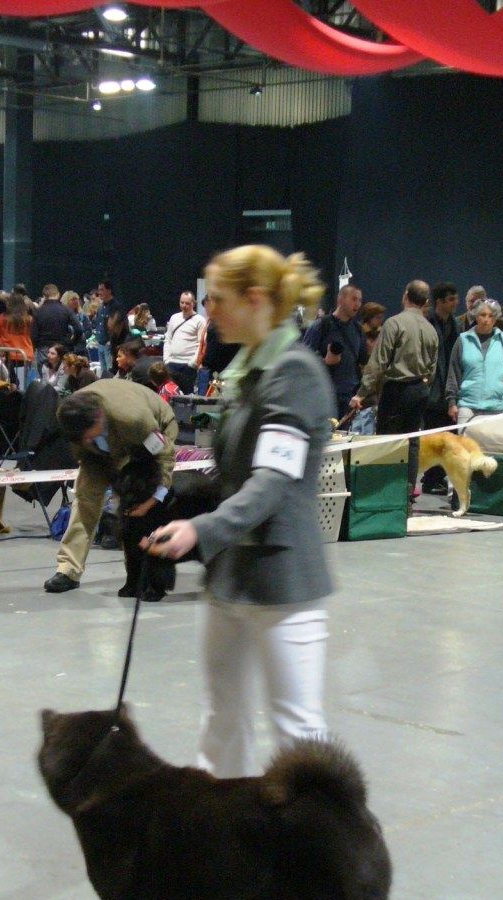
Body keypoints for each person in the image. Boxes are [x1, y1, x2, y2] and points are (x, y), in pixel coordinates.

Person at [146, 244, 334, 779]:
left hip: (283, 578)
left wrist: (200, 530)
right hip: (229, 576)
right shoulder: (247, 371)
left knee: (297, 734)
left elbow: (272, 483)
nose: (210, 312)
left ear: (254, 299)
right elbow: (233, 474)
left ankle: (323, 833)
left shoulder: (295, 374)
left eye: (218, 299)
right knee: (221, 722)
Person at [43, 382, 177, 594]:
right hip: (100, 451)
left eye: (88, 435)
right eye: (82, 438)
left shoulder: (134, 419)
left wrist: (155, 497)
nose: (85, 440)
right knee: (85, 498)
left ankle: (138, 574)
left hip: (149, 433)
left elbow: (164, 455)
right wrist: (109, 480)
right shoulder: (69, 418)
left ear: (98, 417)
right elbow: (82, 452)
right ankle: (68, 570)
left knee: (136, 507)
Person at [351, 280, 439, 509]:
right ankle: (407, 494)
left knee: (387, 441)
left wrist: (362, 393)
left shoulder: (394, 324)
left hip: (396, 390)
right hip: (420, 390)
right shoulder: (431, 329)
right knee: (412, 442)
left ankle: (385, 492)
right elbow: (432, 368)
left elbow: (379, 362)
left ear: (405, 295)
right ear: (426, 302)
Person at [446, 298, 503, 425]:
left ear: (495, 319)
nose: (486, 319)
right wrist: (452, 403)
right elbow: (453, 374)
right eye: (483, 315)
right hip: (468, 405)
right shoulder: (463, 340)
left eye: (490, 316)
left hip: (498, 406)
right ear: (476, 316)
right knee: (464, 439)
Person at [302, 282, 367, 420]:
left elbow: (362, 361)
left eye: (360, 300)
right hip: (324, 396)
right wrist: (325, 361)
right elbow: (304, 360)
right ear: (340, 300)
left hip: (349, 397)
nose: (357, 304)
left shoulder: (358, 330)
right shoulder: (321, 326)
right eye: (353, 299)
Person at [422, 281, 460, 494]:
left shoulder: (456, 325)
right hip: (432, 392)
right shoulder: (427, 324)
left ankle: (438, 478)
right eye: (451, 299)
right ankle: (430, 479)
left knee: (448, 436)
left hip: (449, 390)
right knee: (433, 437)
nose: (456, 302)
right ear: (439, 302)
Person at [31, 284, 83, 370]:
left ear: (44, 296)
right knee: (63, 375)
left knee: (44, 375)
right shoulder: (66, 310)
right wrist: (71, 343)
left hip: (44, 349)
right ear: (58, 295)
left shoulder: (38, 312)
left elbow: (33, 335)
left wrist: (39, 345)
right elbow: (79, 329)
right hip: (62, 348)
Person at [163, 290, 205, 395]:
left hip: (187, 366)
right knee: (169, 394)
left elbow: (201, 343)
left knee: (186, 397)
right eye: (182, 302)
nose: (184, 306)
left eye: (187, 303)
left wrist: (192, 363)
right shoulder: (174, 317)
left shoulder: (200, 320)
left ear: (194, 303)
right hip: (171, 364)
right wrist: (166, 359)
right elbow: (168, 339)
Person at [0, 293, 35, 382]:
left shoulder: (1, 319)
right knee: (23, 383)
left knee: (8, 382)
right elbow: (34, 337)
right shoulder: (30, 320)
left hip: (8, 356)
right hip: (26, 355)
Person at [94, 280, 122, 378]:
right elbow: (99, 323)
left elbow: (118, 325)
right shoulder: (101, 306)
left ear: (109, 290)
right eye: (99, 290)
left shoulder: (115, 306)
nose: (99, 292)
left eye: (102, 290)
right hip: (101, 343)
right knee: (103, 372)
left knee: (110, 372)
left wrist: (110, 341)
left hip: (109, 345)